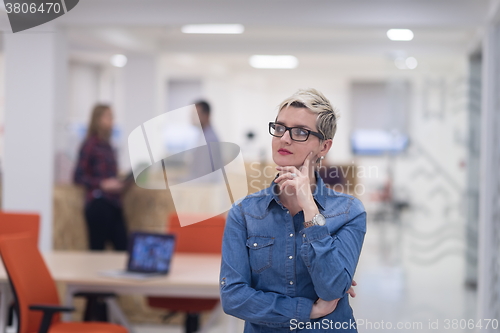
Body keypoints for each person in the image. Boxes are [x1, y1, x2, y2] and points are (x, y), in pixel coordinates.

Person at [219, 88, 366, 332]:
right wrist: (308, 310)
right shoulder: (244, 213)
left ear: (324, 146)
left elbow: (331, 288)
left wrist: (310, 209)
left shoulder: (349, 212)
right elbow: (233, 297)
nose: (284, 138)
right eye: (279, 128)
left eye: (300, 132)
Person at [73, 104, 128, 251]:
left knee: (123, 248)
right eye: (108, 117)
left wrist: (121, 183)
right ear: (97, 119)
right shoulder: (90, 145)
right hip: (98, 204)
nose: (112, 121)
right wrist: (102, 184)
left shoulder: (108, 146)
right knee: (97, 250)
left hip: (114, 204)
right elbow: (78, 176)